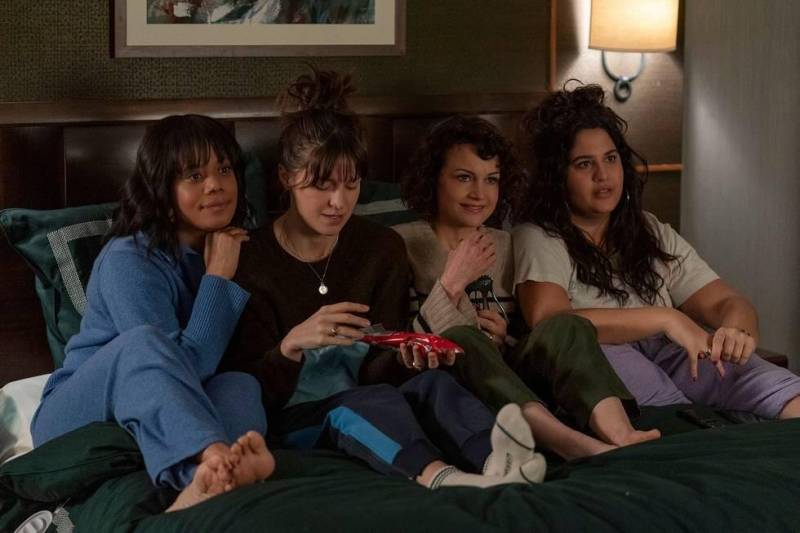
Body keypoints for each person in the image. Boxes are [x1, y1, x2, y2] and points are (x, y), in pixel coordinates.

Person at [221, 67, 546, 489]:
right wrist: (292, 344)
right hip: (295, 416)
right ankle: (441, 477)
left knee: (432, 383)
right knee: (366, 401)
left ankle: (499, 461)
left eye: (351, 184)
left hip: (374, 393)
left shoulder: (380, 248)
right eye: (321, 186)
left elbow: (380, 366)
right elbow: (244, 389)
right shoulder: (251, 258)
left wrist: (407, 355)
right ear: (287, 178)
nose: (339, 203)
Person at [30, 115, 275, 512]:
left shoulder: (232, 250)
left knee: (240, 384)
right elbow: (182, 369)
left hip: (165, 414)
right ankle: (210, 458)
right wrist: (217, 279)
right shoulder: (129, 258)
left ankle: (211, 483)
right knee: (146, 342)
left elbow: (211, 373)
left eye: (224, 169)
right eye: (193, 175)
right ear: (162, 188)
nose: (215, 185)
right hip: (78, 413)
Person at [513, 84, 800, 419]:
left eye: (610, 158)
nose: (603, 175)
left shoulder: (649, 229)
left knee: (779, 389)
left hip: (674, 353)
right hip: (602, 355)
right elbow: (551, 322)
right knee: (676, 416)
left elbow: (727, 302)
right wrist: (665, 318)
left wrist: (735, 331)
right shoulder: (539, 235)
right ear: (556, 176)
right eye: (583, 164)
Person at [394, 115, 659, 460]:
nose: (479, 194)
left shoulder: (509, 245)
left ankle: (622, 434)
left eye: (491, 180)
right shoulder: (400, 244)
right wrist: (451, 284)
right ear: (434, 180)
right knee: (461, 338)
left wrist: (505, 338)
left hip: (516, 383)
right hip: (451, 387)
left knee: (566, 324)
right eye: (463, 178)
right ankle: (566, 442)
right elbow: (400, 354)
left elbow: (531, 347)